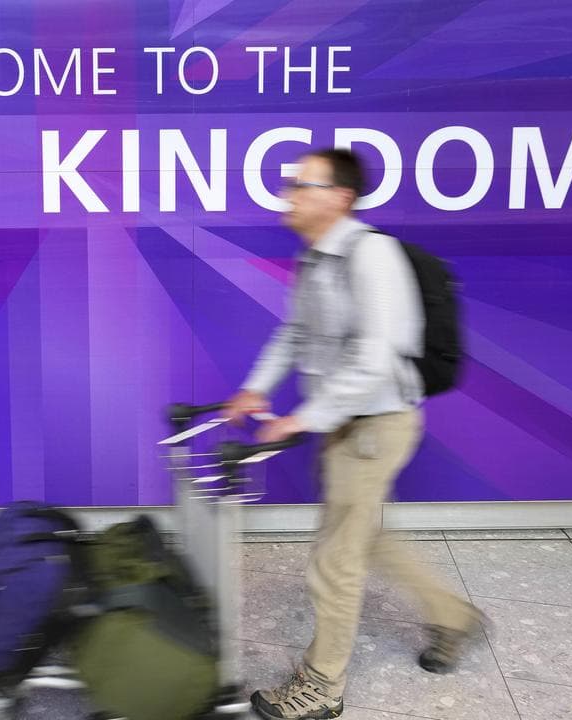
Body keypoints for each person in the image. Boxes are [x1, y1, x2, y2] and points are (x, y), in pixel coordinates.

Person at [225, 148, 483, 720]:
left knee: (334, 559)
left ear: (340, 196)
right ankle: (455, 616)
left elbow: (375, 358)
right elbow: (294, 333)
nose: (288, 194)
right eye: (290, 184)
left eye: (301, 185)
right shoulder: (315, 260)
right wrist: (255, 388)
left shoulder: (372, 256)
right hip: (346, 426)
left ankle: (323, 687)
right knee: (364, 537)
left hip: (376, 426)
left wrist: (302, 418)